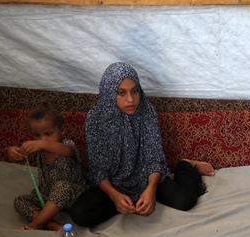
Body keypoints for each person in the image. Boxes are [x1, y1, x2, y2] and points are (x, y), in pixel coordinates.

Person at [69, 62, 214, 227]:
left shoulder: (146, 111)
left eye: (135, 91)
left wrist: (151, 190)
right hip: (114, 183)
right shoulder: (96, 119)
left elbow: (154, 158)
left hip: (147, 176)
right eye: (121, 93)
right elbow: (97, 170)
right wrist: (115, 197)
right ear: (109, 93)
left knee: (185, 201)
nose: (130, 99)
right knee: (80, 214)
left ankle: (185, 166)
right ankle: (127, 203)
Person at [7, 102, 88, 231]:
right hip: (46, 196)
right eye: (37, 135)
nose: (43, 139)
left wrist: (41, 144)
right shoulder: (38, 151)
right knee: (19, 201)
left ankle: (38, 223)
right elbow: (21, 159)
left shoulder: (67, 145)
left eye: (48, 134)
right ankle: (53, 225)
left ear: (62, 130)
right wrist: (13, 152)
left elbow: (68, 151)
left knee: (62, 187)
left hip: (72, 195)